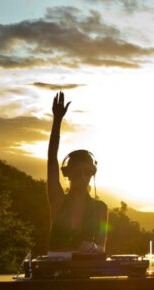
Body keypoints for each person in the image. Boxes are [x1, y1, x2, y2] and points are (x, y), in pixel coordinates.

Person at [47, 92, 108, 252]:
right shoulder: (58, 200)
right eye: (78, 172)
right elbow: (52, 159)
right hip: (55, 269)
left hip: (85, 269)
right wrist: (57, 120)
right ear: (69, 174)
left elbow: (101, 247)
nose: (82, 177)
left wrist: (93, 247)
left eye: (87, 173)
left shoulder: (100, 208)